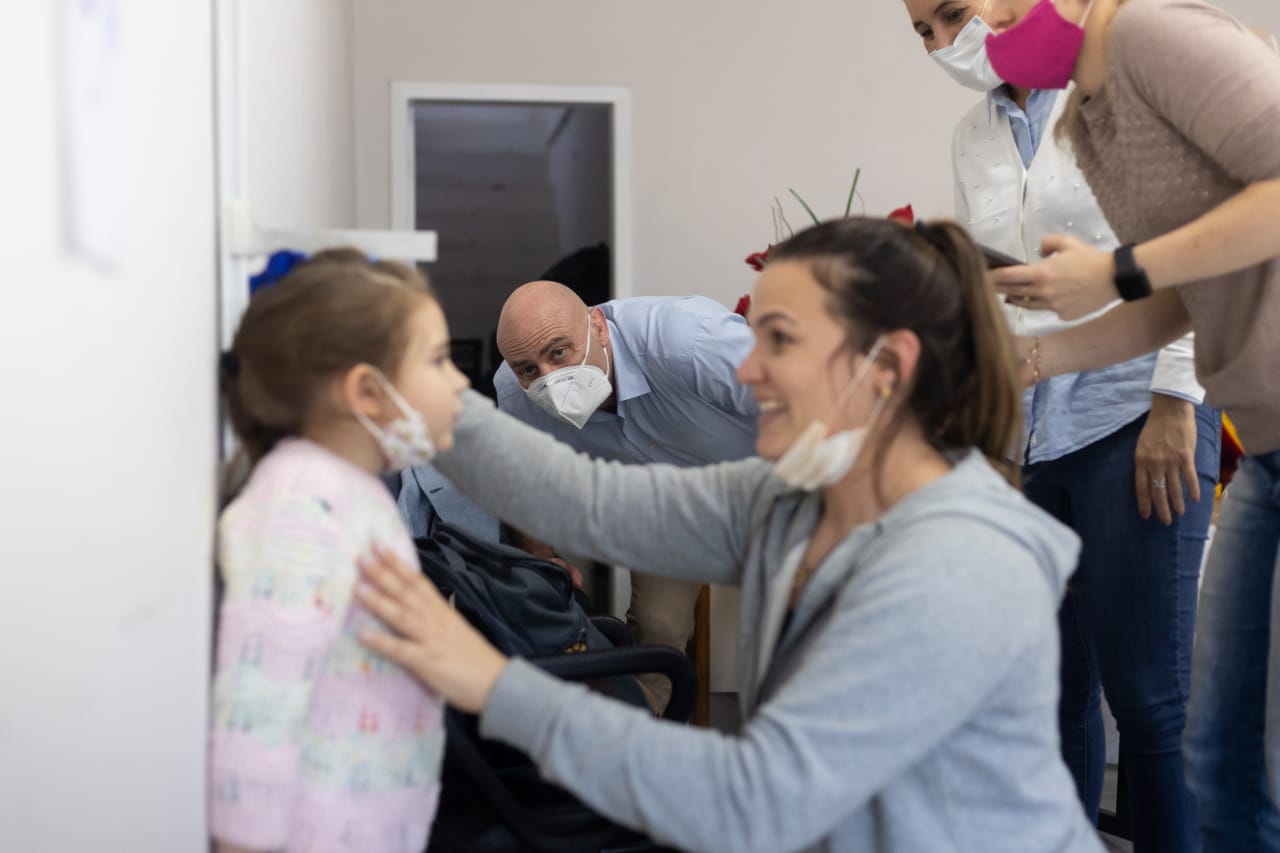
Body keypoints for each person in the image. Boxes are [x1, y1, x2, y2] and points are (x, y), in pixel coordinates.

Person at [351, 217, 1103, 852]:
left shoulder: (957, 563)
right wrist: (426, 383)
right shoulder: (794, 498)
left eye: (777, 338)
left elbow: (757, 798)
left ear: (886, 367)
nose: (746, 369)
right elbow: (594, 501)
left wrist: (492, 684)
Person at [901, 1, 1219, 847]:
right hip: (1031, 431)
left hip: (1135, 413)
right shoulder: (974, 135)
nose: (939, 42)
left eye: (950, 14)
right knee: (1053, 687)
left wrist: (1174, 401)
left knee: (1150, 697)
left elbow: (1196, 247)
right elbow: (996, 297)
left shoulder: (1120, 89)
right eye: (922, 31)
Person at [965, 0, 1280, 847]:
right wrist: (1032, 362)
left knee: (1180, 715)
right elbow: (1184, 295)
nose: (985, 25)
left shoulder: (1155, 33)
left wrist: (1120, 271)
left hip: (1174, 422)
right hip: (1260, 448)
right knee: (1220, 752)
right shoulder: (1088, 120)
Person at [209, 251, 469, 853]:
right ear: (368, 393)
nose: (459, 381)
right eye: (438, 360)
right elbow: (259, 711)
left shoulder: (350, 488)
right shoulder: (301, 503)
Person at [492, 281, 758, 705]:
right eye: (527, 368)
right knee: (658, 631)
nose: (549, 378)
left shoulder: (690, 341)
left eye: (559, 352)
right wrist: (542, 560)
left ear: (597, 326)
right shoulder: (516, 395)